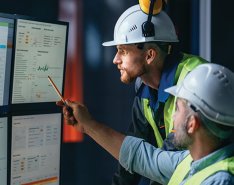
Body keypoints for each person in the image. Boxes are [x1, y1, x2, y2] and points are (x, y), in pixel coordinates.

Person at [59, 63, 234, 185]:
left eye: (178, 109)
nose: (172, 117)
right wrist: (88, 125)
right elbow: (143, 157)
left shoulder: (220, 180)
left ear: (192, 124)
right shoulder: (192, 160)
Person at [102, 1, 207, 184]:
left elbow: (165, 160)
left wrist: (89, 125)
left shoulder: (194, 80)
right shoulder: (145, 89)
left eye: (122, 51)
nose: (115, 60)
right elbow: (131, 161)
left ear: (150, 55)